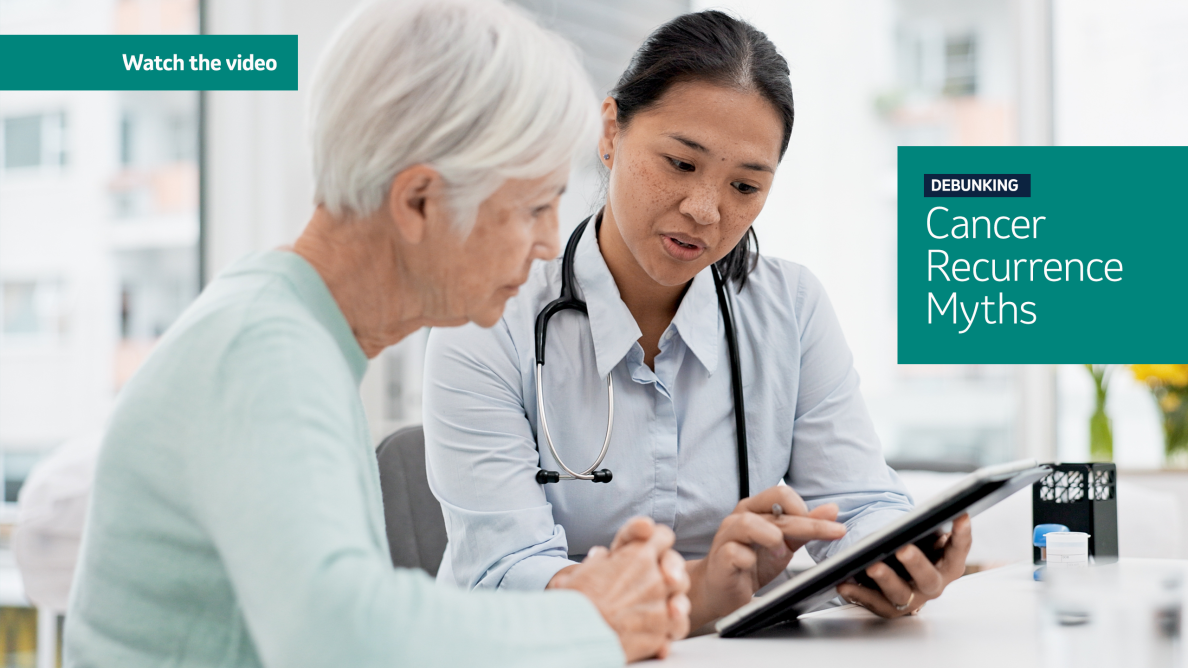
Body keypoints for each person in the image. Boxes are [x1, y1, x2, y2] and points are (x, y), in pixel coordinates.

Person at [64, 1, 690, 666]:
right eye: (533, 207)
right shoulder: (264, 353)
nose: (547, 244)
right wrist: (595, 621)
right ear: (419, 202)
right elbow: (341, 635)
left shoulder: (281, 329)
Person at [423, 9, 972, 631]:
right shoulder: (489, 318)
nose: (706, 211)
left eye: (745, 187)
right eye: (681, 165)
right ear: (611, 133)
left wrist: (890, 557)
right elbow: (503, 576)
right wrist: (701, 590)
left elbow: (861, 503)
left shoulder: (789, 306)